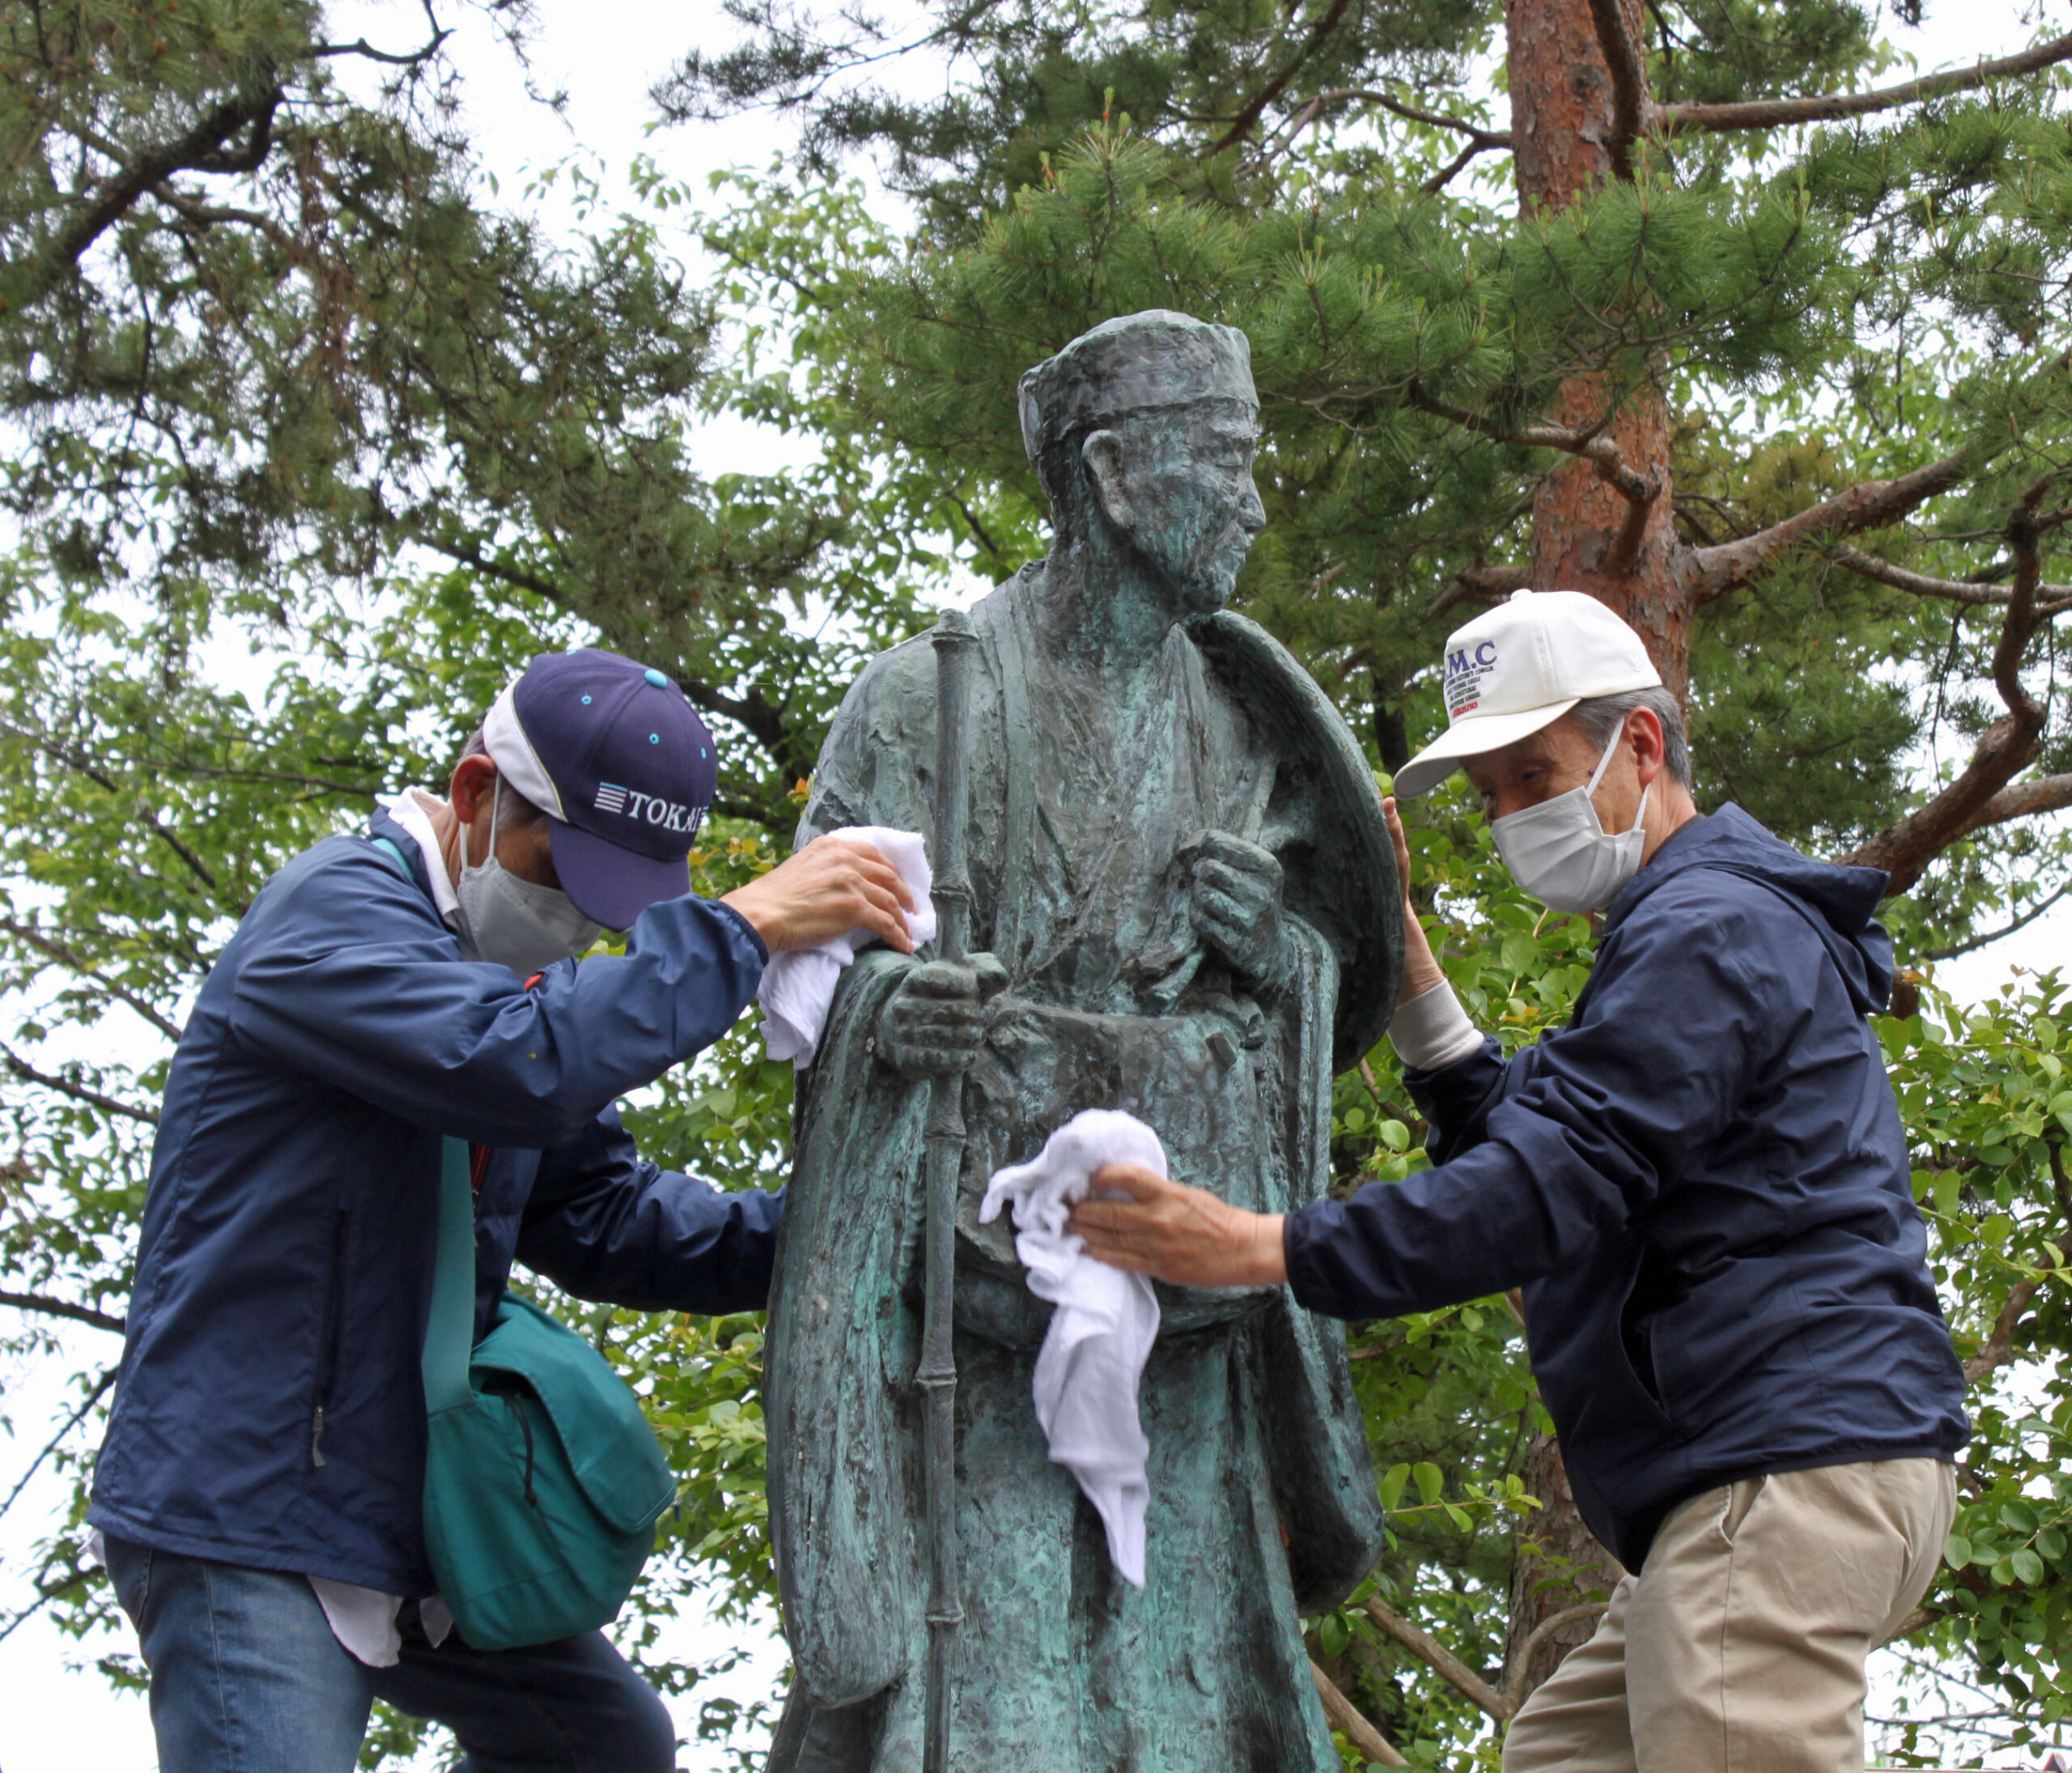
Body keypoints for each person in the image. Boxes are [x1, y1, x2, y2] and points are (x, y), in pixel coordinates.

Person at [1070, 588, 1970, 1773]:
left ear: (1639, 745)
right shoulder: (1692, 931)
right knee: (1558, 1749)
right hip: (1763, 1473)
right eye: (1490, 795)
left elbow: (1547, 1183)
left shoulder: (1707, 930)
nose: (1509, 817)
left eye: (1532, 774)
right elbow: (1542, 1140)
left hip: (1775, 1469)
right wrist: (1402, 957)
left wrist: (1264, 1246)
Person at [87, 646, 917, 1773]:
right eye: (565, 874)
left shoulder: (488, 980)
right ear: (476, 793)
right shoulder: (331, 915)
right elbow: (518, 1060)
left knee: (605, 1746)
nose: (583, 922)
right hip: (251, 1516)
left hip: (404, 1512)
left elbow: (609, 1214)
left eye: (613, 903)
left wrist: (860, 1223)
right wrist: (742, 929)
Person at [762, 311, 1397, 1772]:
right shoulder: (925, 701)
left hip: (1183, 1323)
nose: (1252, 498)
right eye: (1226, 462)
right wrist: (887, 1011)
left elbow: (1313, 986)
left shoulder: (1239, 726)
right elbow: (813, 992)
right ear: (1113, 475)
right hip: (966, 1343)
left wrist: (1274, 953)